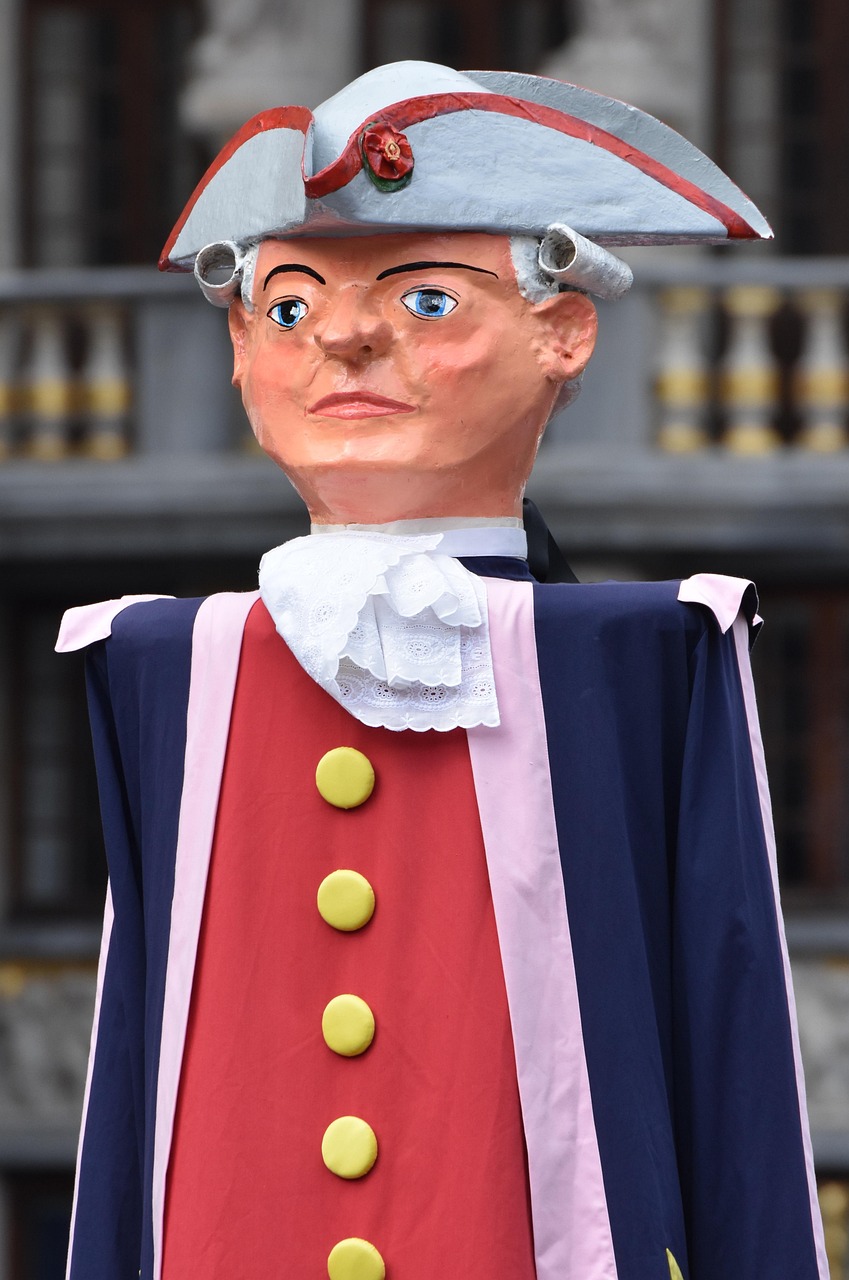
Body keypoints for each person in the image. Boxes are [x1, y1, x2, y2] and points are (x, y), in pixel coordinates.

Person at [59, 61, 826, 1280]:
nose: (345, 336)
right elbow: (129, 1077)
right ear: (241, 346)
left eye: (425, 299)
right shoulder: (161, 659)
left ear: (562, 332)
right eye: (291, 307)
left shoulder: (650, 649)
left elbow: (735, 1054)